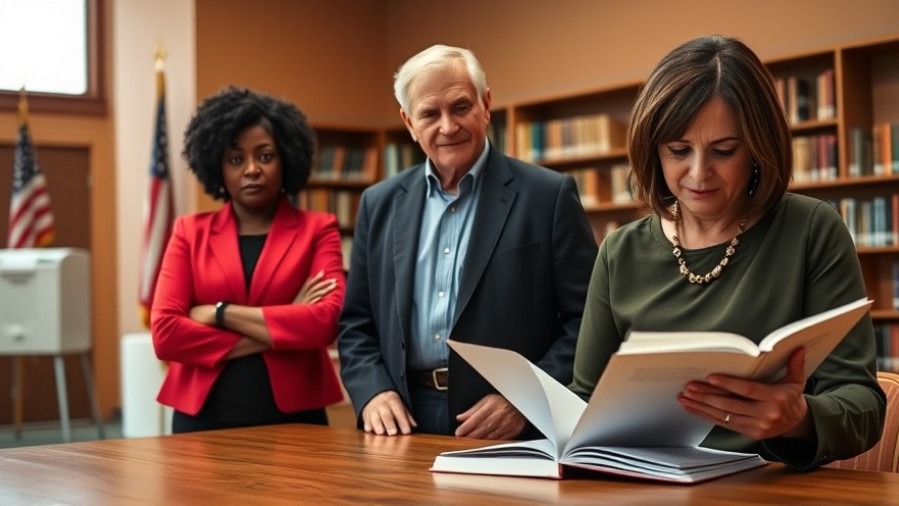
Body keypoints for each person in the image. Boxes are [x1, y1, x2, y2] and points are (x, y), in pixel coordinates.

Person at [570, 35, 886, 469]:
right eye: (679, 151)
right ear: (653, 151)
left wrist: (798, 418)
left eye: (724, 151)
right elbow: (585, 401)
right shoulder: (619, 251)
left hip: (768, 490)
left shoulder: (811, 229)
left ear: (758, 146)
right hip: (643, 484)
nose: (699, 174)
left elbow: (863, 405)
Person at [338, 44, 597, 439]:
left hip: (508, 424)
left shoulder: (548, 196)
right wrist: (373, 391)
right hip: (403, 421)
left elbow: (589, 321)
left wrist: (525, 397)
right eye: (429, 113)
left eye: (460, 107)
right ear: (409, 122)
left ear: (486, 104)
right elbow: (357, 323)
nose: (447, 126)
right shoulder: (379, 203)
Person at [151, 86, 346, 433]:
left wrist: (219, 313)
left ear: (287, 159)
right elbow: (166, 334)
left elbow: (324, 323)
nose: (252, 169)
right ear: (218, 166)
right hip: (201, 420)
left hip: (295, 421)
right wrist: (287, 321)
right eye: (236, 159)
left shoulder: (319, 229)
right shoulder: (188, 232)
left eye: (266, 156)